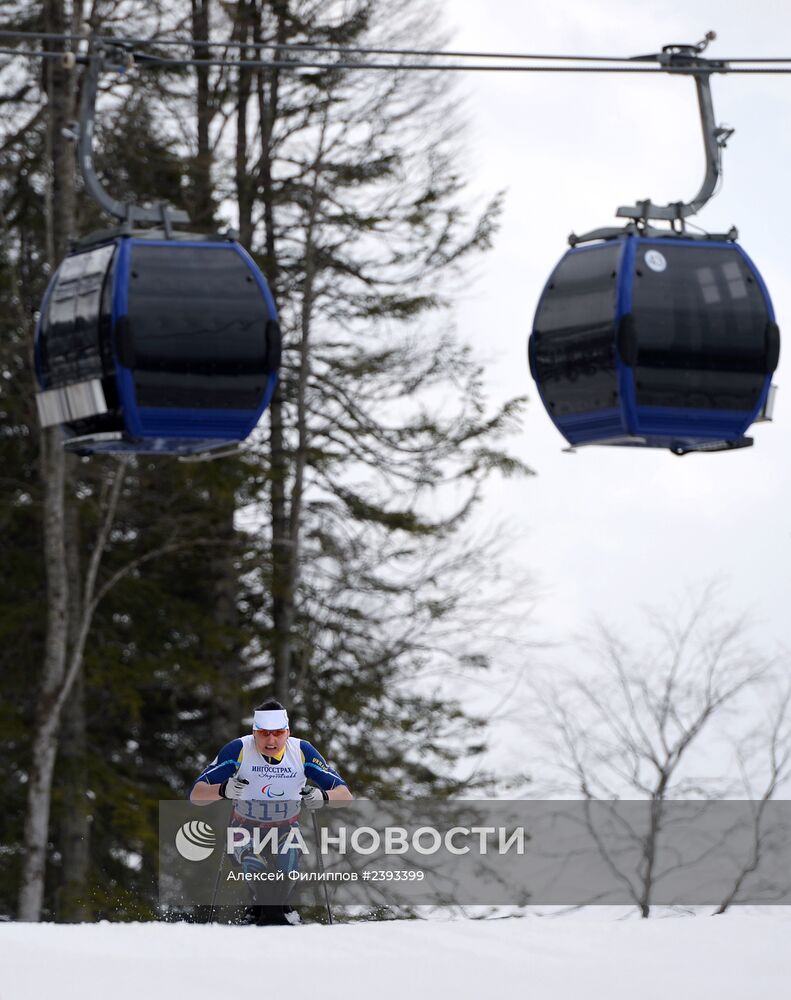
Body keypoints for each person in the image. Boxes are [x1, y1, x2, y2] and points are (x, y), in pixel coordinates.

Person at [190, 698, 352, 925]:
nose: (271, 740)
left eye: (277, 733)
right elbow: (197, 795)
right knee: (256, 867)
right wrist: (223, 789)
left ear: (288, 732)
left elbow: (344, 795)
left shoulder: (302, 751)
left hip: (285, 828)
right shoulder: (238, 749)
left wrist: (323, 796)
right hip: (244, 826)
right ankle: (261, 911)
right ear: (254, 732)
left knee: (286, 872)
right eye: (264, 733)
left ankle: (278, 912)